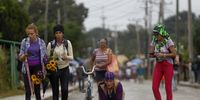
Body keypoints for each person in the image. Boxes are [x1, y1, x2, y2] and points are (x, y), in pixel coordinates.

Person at [19, 23, 47, 100]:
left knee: (37, 90)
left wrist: (45, 69)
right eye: (28, 34)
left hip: (37, 68)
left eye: (32, 34)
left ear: (36, 33)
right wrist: (24, 56)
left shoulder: (41, 42)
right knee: (28, 90)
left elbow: (45, 57)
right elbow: (20, 56)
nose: (30, 36)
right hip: (27, 68)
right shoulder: (24, 42)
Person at [46, 24, 74, 100]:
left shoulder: (67, 43)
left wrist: (66, 57)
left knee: (64, 89)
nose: (58, 35)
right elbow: (47, 58)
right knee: (55, 91)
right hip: (54, 69)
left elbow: (72, 57)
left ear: (63, 33)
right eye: (56, 33)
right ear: (54, 34)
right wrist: (51, 61)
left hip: (65, 68)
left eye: (60, 32)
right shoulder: (50, 44)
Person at [149, 24, 176, 100]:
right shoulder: (154, 40)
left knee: (168, 88)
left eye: (157, 34)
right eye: (154, 34)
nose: (155, 36)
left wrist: (163, 55)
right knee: (154, 88)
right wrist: (153, 54)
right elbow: (151, 54)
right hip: (158, 65)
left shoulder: (168, 40)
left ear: (161, 33)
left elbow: (174, 54)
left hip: (168, 65)